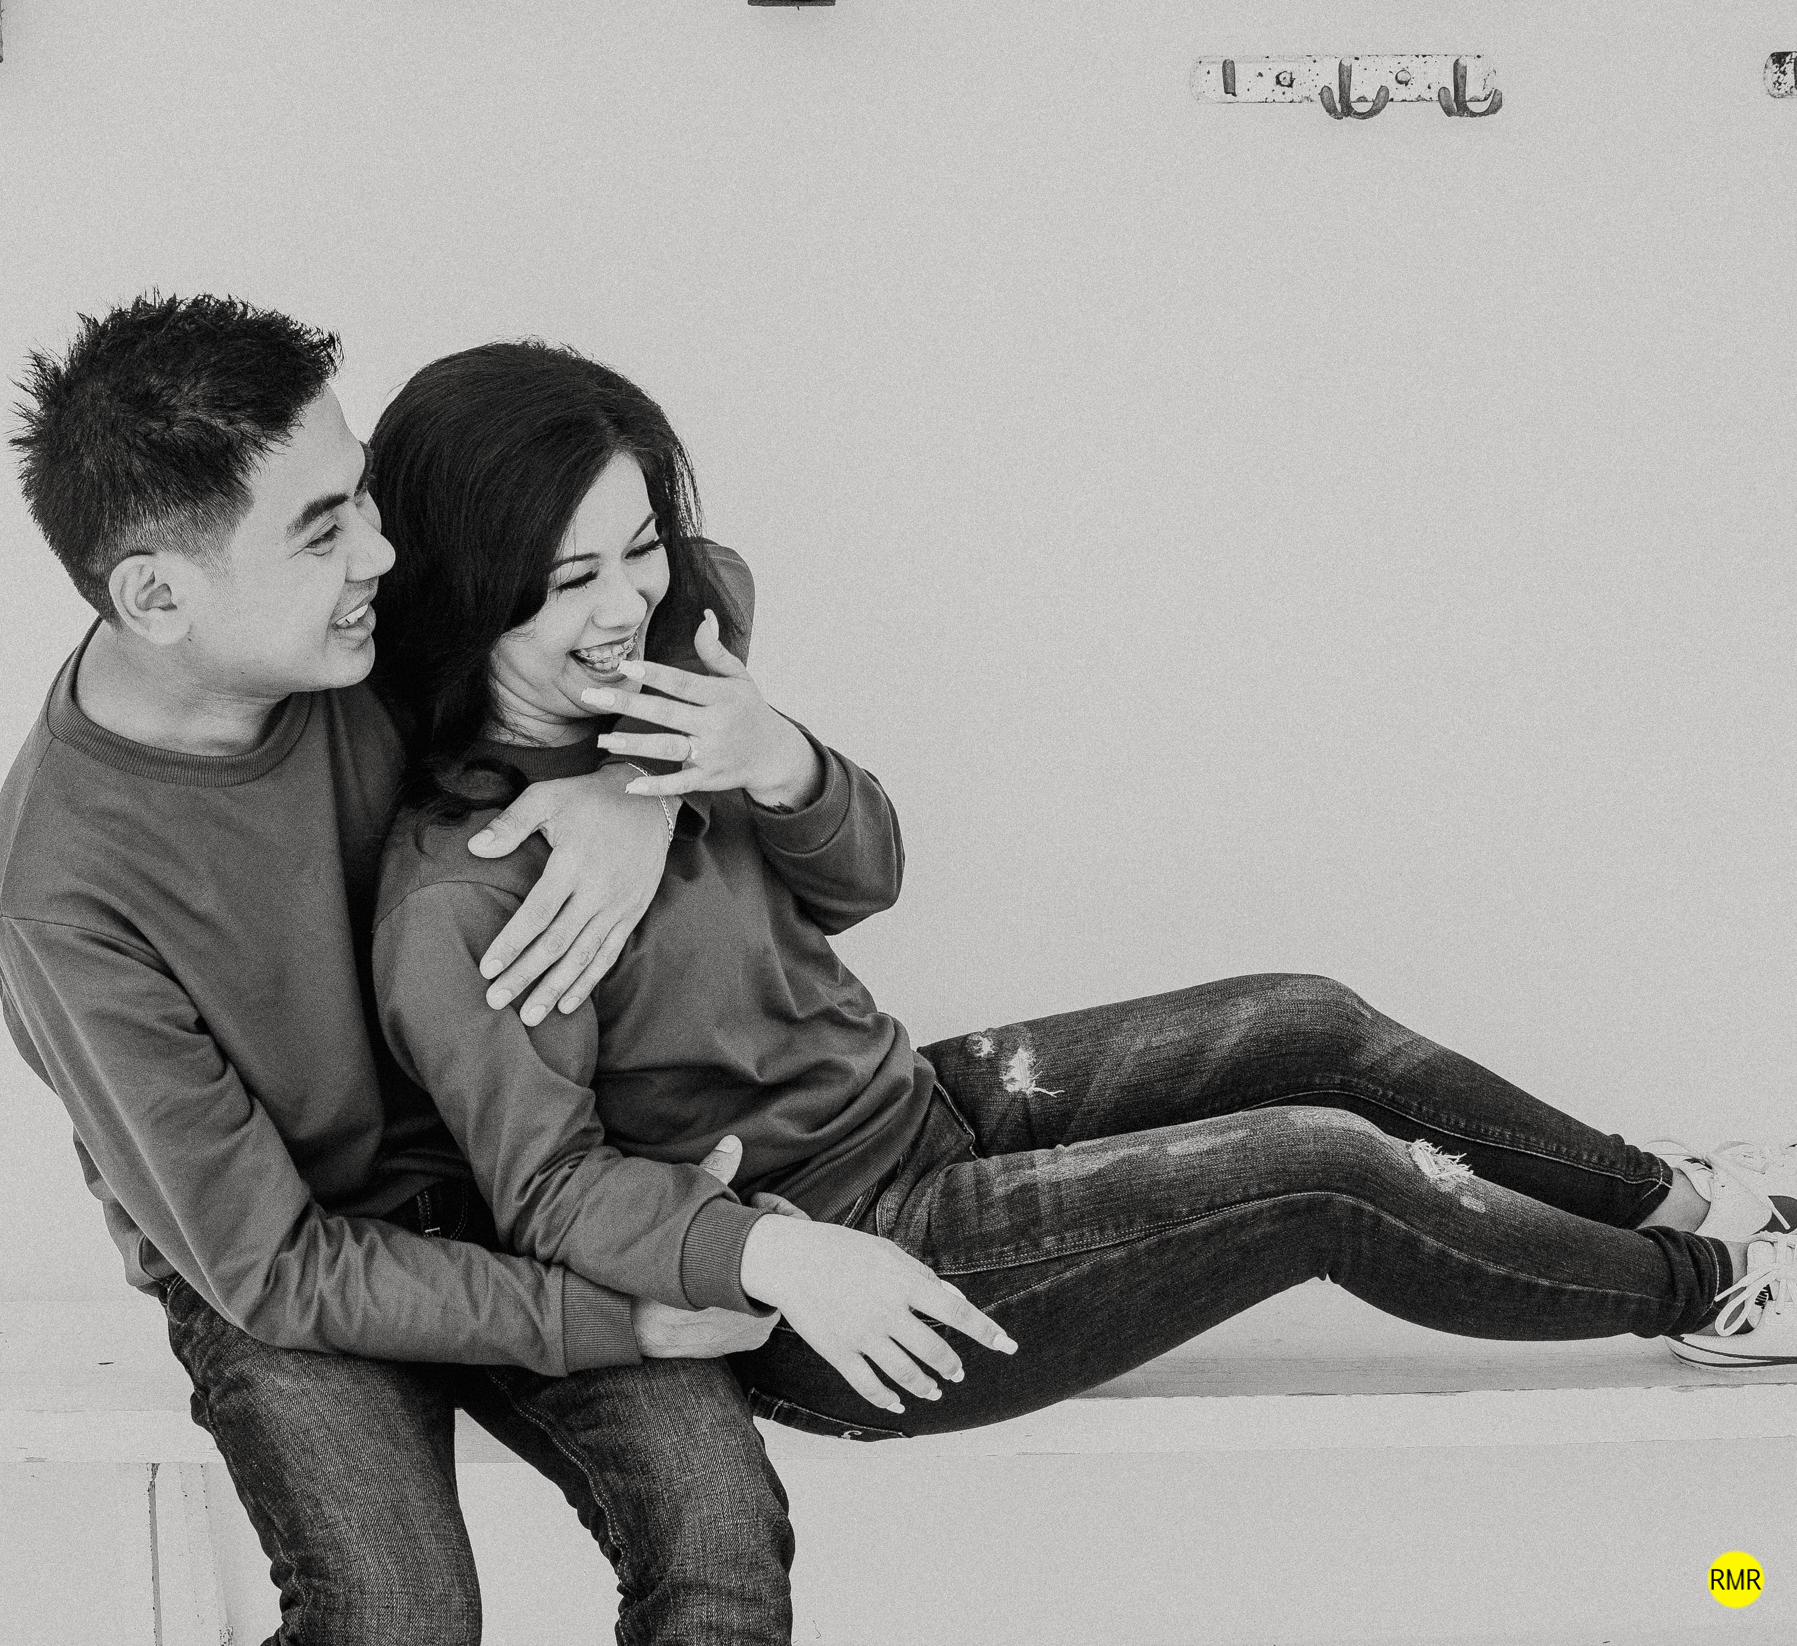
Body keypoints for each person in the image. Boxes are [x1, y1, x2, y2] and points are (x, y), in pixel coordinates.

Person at [366, 338, 1797, 1462]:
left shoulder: (667, 695)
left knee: (1307, 1017)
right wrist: (776, 1255)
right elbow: (551, 1191)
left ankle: (1683, 1193)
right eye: (570, 579)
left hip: (915, 1109)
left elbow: (864, 875)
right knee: (1320, 1172)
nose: (626, 603)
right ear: (468, 595)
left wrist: (773, 757)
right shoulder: (463, 898)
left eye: (639, 549)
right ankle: (1709, 1283)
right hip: (856, 1279)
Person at [0, 294, 809, 1646]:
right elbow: (273, 1266)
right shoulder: (63, 894)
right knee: (397, 1615)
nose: (378, 549)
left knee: (722, 1543)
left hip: (517, 1179)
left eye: (361, 495)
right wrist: (612, 1319)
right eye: (322, 530)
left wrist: (632, 788)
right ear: (157, 596)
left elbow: (692, 576)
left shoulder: (359, 616)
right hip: (294, 1265)